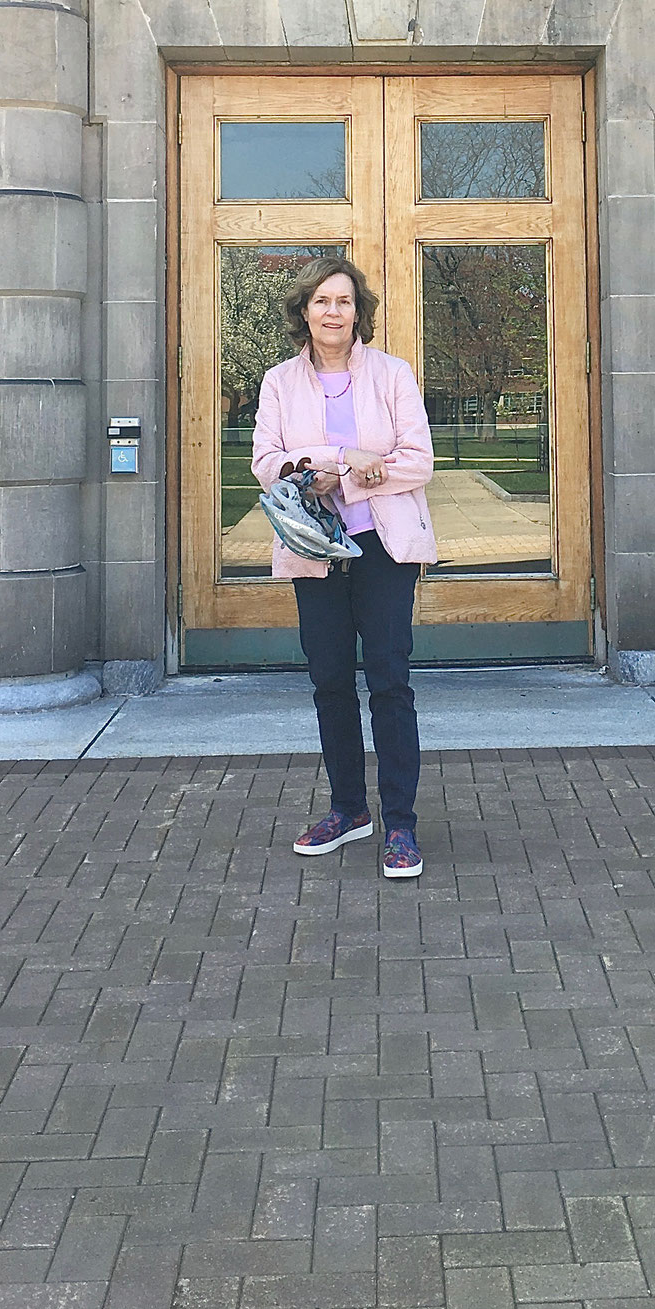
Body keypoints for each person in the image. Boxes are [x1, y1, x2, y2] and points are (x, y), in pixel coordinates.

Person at [251, 257, 436, 878]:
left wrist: (346, 475)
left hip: (382, 550)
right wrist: (343, 456)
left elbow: (417, 462)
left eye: (346, 301)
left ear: (360, 312)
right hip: (315, 549)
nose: (335, 312)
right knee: (330, 682)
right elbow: (266, 463)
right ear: (304, 310)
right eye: (323, 301)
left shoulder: (391, 374)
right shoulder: (279, 382)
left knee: (389, 682)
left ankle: (400, 826)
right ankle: (349, 810)